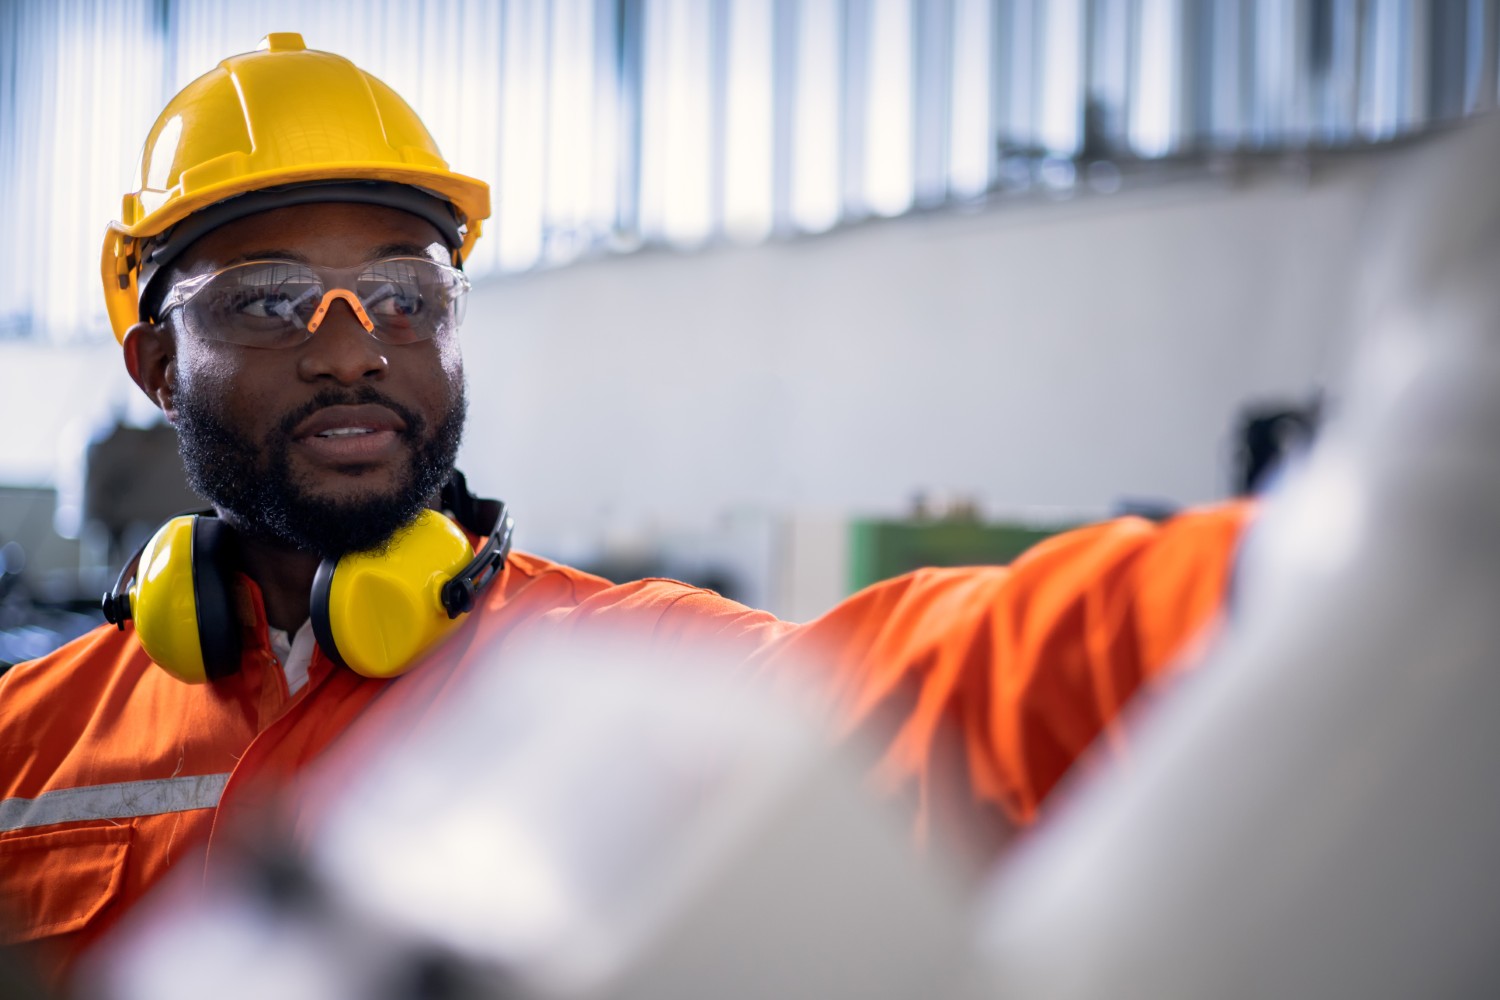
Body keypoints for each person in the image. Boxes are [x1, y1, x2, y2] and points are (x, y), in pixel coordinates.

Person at [0, 33, 1250, 987]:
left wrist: (1295, 566)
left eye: (405, 293)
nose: (354, 350)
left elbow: (945, 683)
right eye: (272, 300)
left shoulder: (608, 672)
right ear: (157, 365)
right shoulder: (26, 748)